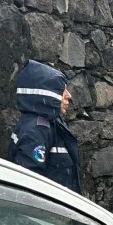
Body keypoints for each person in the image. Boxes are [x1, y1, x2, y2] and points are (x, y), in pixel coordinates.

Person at [8, 60, 81, 193]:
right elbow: (30, 185)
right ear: (47, 93)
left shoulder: (49, 124)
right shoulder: (36, 131)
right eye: (61, 90)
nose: (69, 96)